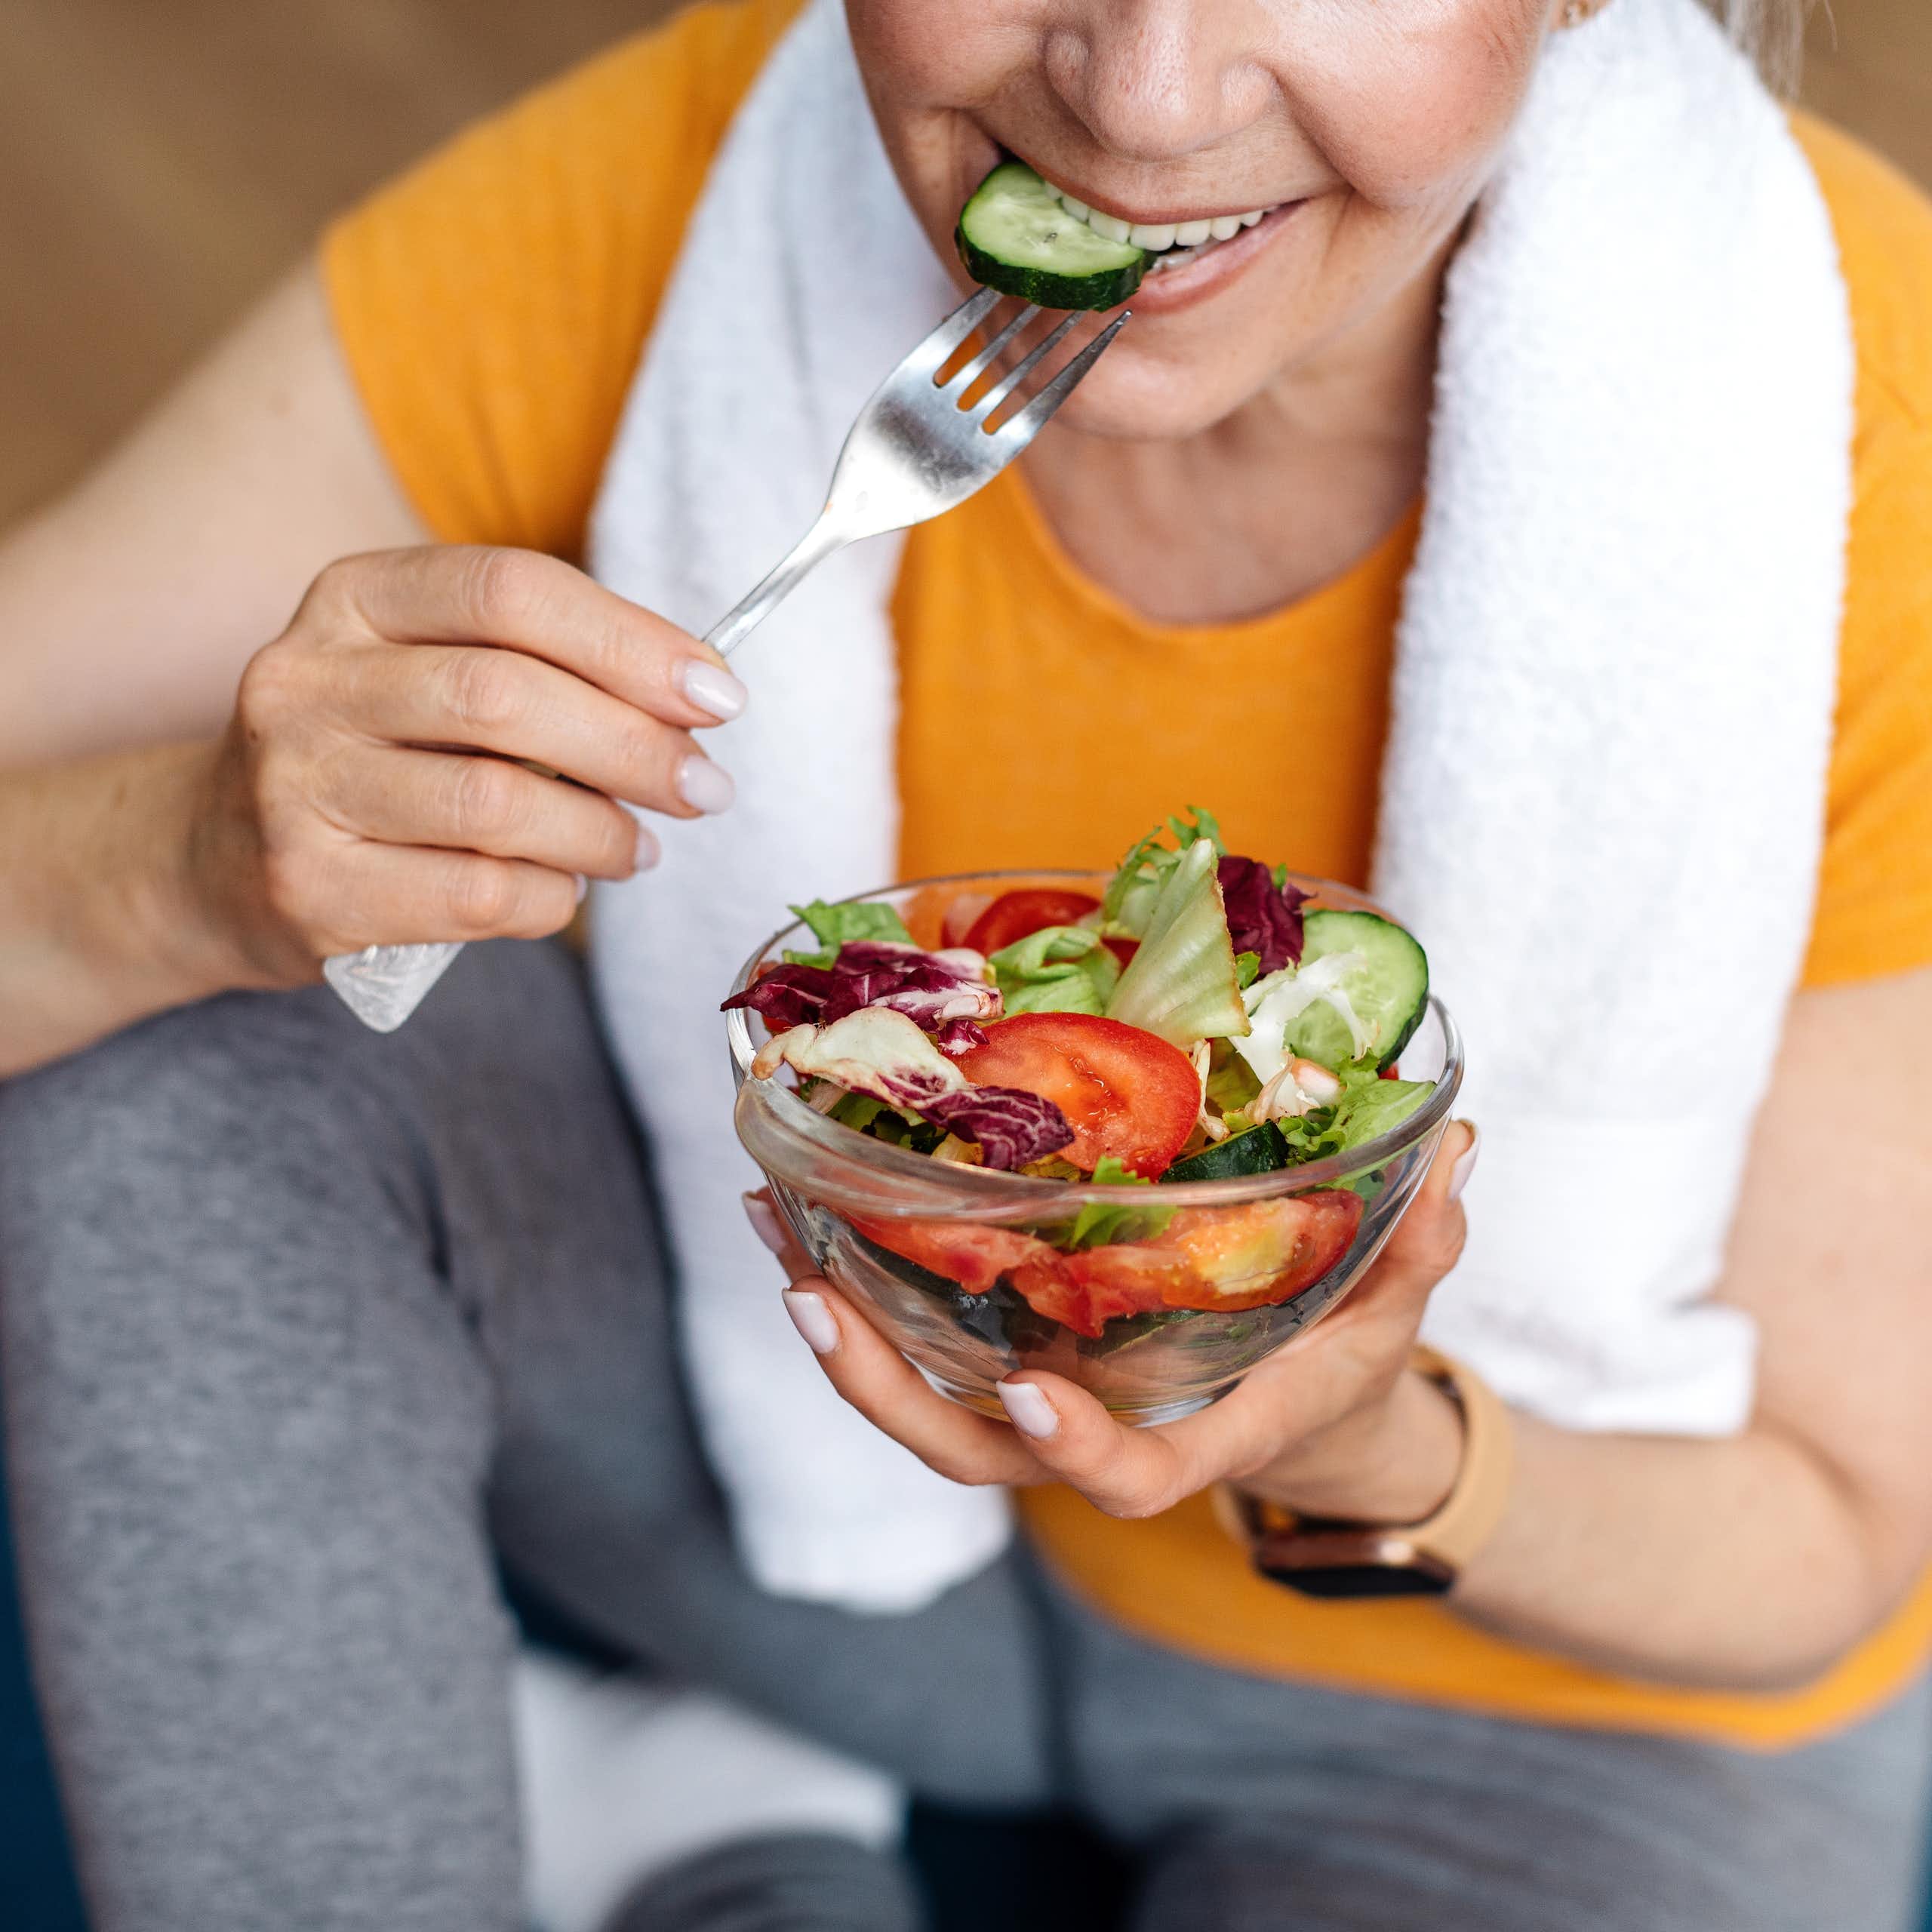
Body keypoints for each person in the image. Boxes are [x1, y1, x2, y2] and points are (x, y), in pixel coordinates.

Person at [3, 0, 1931, 1927]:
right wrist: (173, 869)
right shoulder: (705, 209)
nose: (1141, 104)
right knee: (172, 1072)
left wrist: (1360, 1435)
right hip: (821, 1504)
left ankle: (720, 1836)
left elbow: (1827, 1537)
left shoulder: (1853, 399)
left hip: (1536, 1722)